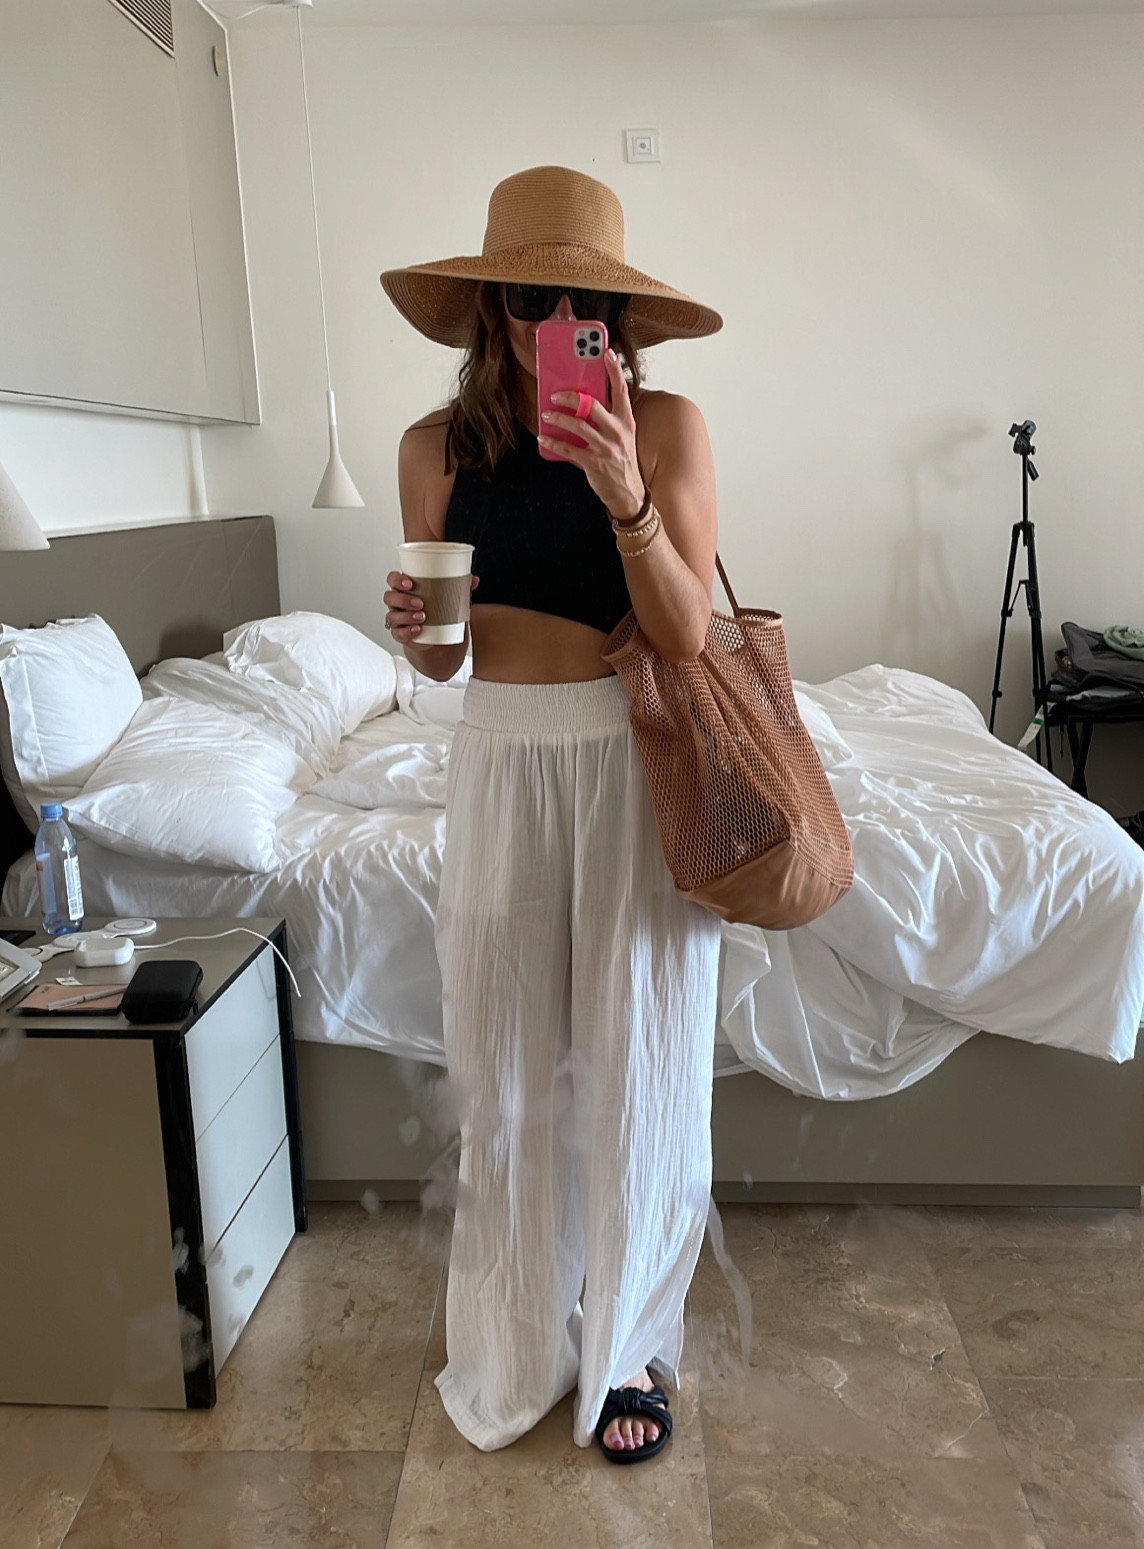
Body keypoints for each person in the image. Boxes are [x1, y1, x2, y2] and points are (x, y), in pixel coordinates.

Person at [380, 165, 723, 1463]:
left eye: (582, 299)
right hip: (498, 756)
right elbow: (440, 660)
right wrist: (414, 631)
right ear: (489, 305)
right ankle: (517, 1336)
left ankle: (631, 1345)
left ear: (614, 317)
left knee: (643, 1060)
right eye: (529, 294)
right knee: (507, 1067)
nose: (552, 318)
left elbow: (685, 632)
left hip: (634, 751)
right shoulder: (434, 449)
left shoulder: (673, 424)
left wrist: (627, 487)